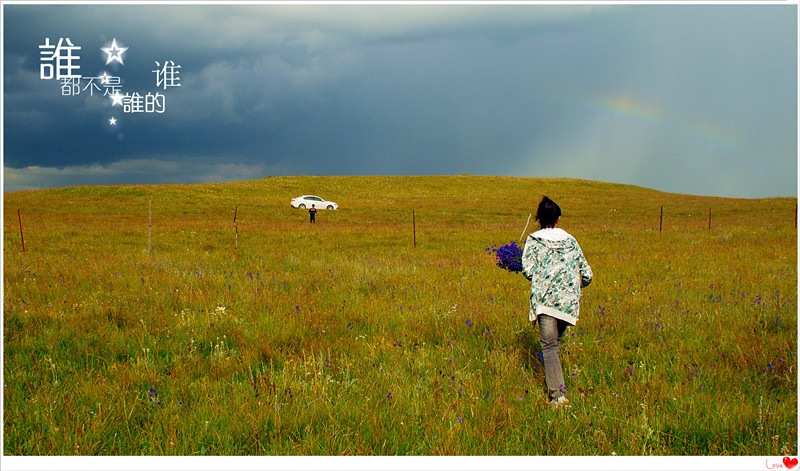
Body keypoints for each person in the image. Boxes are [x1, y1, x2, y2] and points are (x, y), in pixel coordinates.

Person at [522, 196, 592, 408]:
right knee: (554, 343)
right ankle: (557, 386)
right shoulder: (571, 240)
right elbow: (587, 274)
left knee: (550, 346)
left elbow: (528, 270)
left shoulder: (533, 240)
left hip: (545, 301)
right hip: (568, 304)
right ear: (558, 219)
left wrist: (544, 277)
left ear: (539, 219)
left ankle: (558, 397)